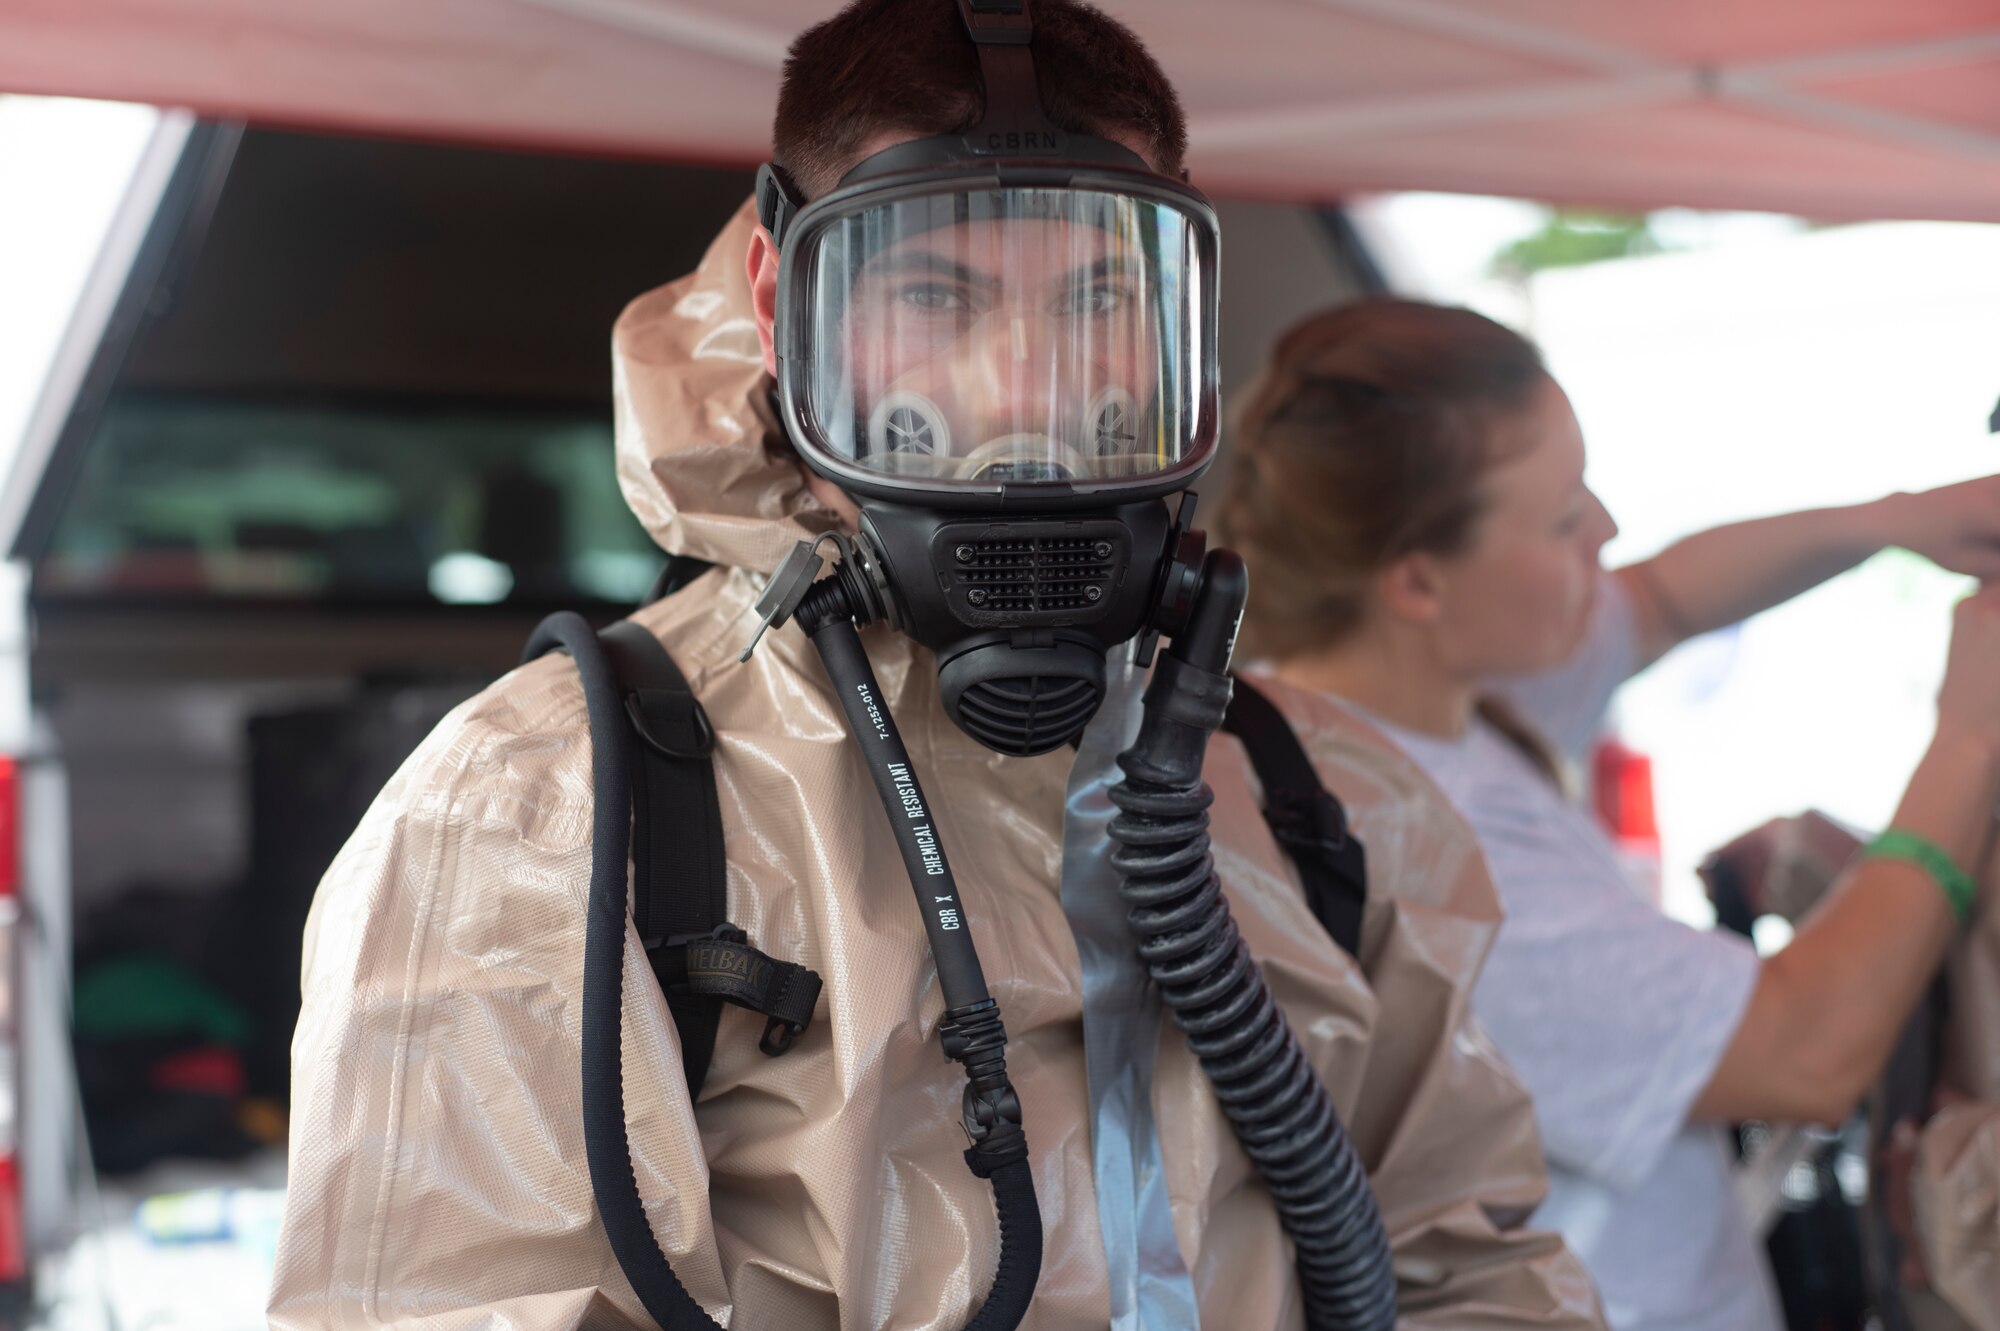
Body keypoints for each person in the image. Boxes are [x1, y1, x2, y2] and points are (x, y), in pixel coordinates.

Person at [270, 8, 1605, 1330]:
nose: (1021, 387)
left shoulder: (1322, 794)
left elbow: (1472, 1272)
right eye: (931, 293)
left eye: (1096, 295)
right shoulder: (544, 809)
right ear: (780, 303)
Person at [1211, 296, 2000, 1331]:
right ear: (1415, 580)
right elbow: (1804, 1049)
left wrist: (1890, 519)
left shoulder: (1381, 696)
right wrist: (1967, 735)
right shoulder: (1415, 853)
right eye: (1561, 513)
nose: (1608, 528)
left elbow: (1666, 596)